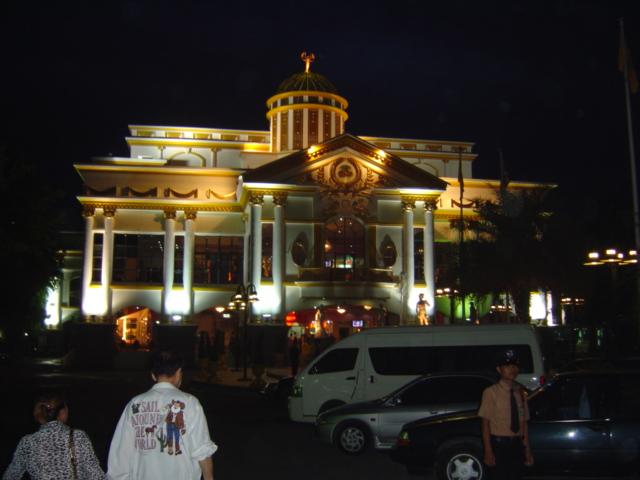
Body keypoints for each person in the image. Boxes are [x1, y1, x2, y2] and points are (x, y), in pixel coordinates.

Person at [107, 350, 217, 480]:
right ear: (178, 373)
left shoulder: (135, 404)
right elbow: (202, 449)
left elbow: (121, 452)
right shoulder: (190, 402)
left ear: (153, 375)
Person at [3, 390, 104, 480]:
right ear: (63, 412)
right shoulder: (78, 437)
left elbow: (11, 475)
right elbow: (95, 474)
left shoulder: (27, 442)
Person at [478, 349, 533, 480]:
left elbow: (524, 424)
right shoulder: (491, 393)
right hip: (499, 445)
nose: (512, 369)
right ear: (499, 369)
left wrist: (527, 450)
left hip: (517, 445)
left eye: (514, 366)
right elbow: (485, 424)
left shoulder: (521, 393)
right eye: (507, 366)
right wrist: (488, 451)